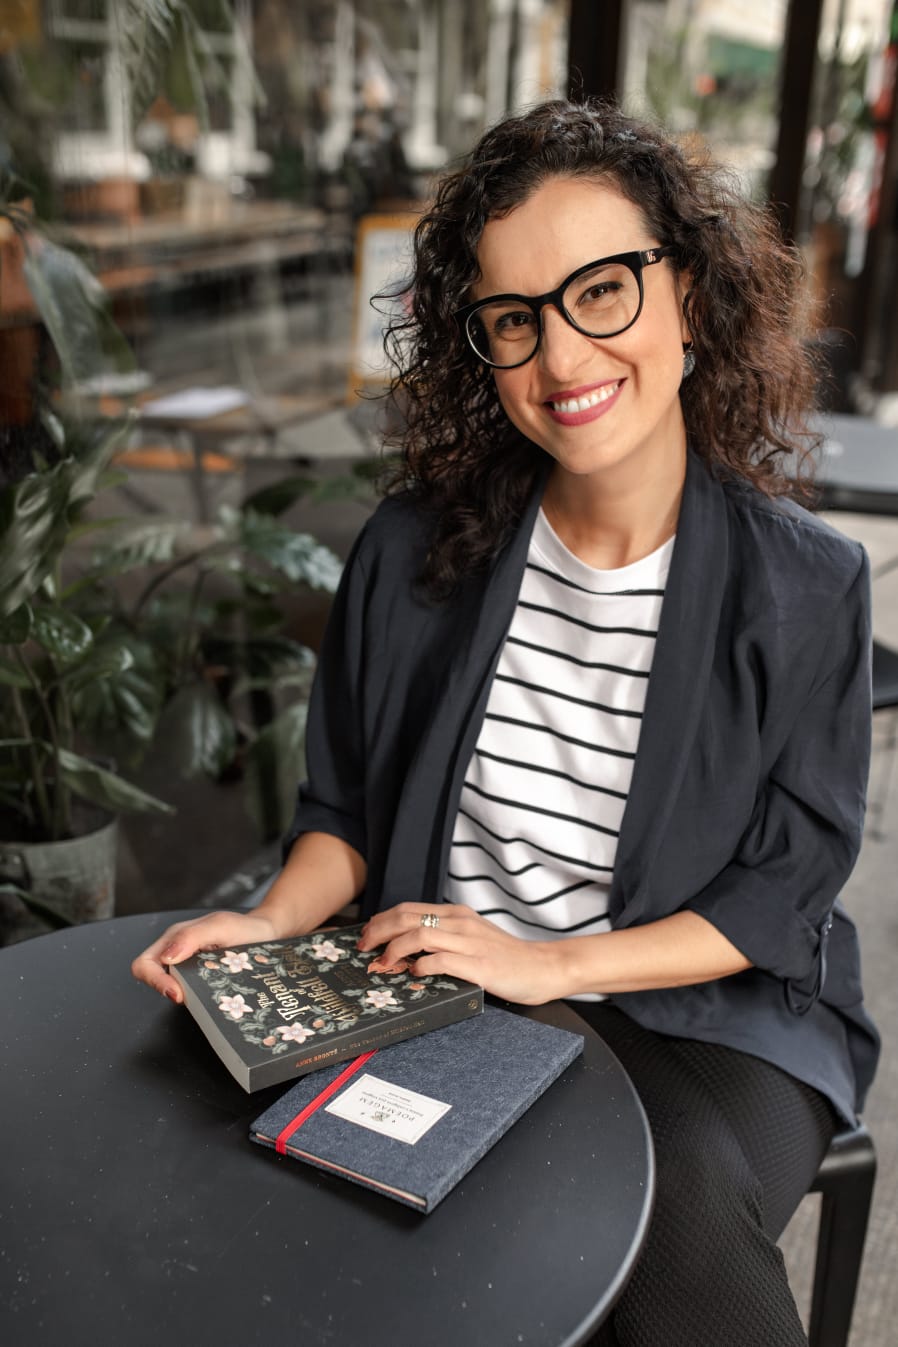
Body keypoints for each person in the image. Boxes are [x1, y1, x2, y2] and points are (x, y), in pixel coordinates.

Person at [133, 99, 880, 1345]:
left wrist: (551, 966)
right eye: (515, 319)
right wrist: (266, 924)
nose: (563, 359)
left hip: (703, 1007)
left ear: (687, 296)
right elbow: (343, 813)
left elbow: (777, 897)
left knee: (673, 1215)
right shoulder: (413, 551)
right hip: (445, 987)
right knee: (300, 1202)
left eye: (601, 292)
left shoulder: (803, 585)